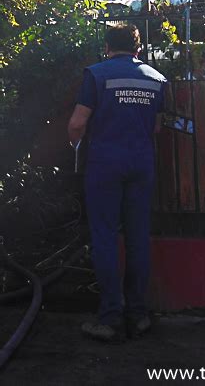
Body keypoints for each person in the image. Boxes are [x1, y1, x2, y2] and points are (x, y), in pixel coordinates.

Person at [68, 24, 166, 342]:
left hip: (105, 163)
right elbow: (157, 128)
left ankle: (110, 318)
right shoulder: (156, 79)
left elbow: (77, 124)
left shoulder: (97, 75)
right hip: (141, 163)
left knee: (105, 238)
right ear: (138, 49)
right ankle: (138, 315)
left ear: (108, 46)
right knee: (138, 238)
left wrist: (76, 150)